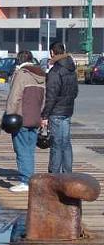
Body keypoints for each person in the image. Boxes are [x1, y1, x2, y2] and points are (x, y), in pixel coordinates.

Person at [4, 50, 45, 192]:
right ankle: (29, 178)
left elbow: (14, 97)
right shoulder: (41, 75)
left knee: (21, 150)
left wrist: (9, 115)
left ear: (19, 60)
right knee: (29, 150)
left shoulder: (21, 74)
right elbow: (44, 99)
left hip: (21, 118)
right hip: (35, 118)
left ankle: (25, 181)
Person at [41, 41, 78, 174]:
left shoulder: (55, 72)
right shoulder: (71, 69)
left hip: (56, 112)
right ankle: (67, 173)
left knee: (56, 144)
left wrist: (44, 116)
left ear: (52, 52)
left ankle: (54, 175)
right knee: (66, 143)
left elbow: (51, 96)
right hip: (67, 111)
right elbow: (75, 92)